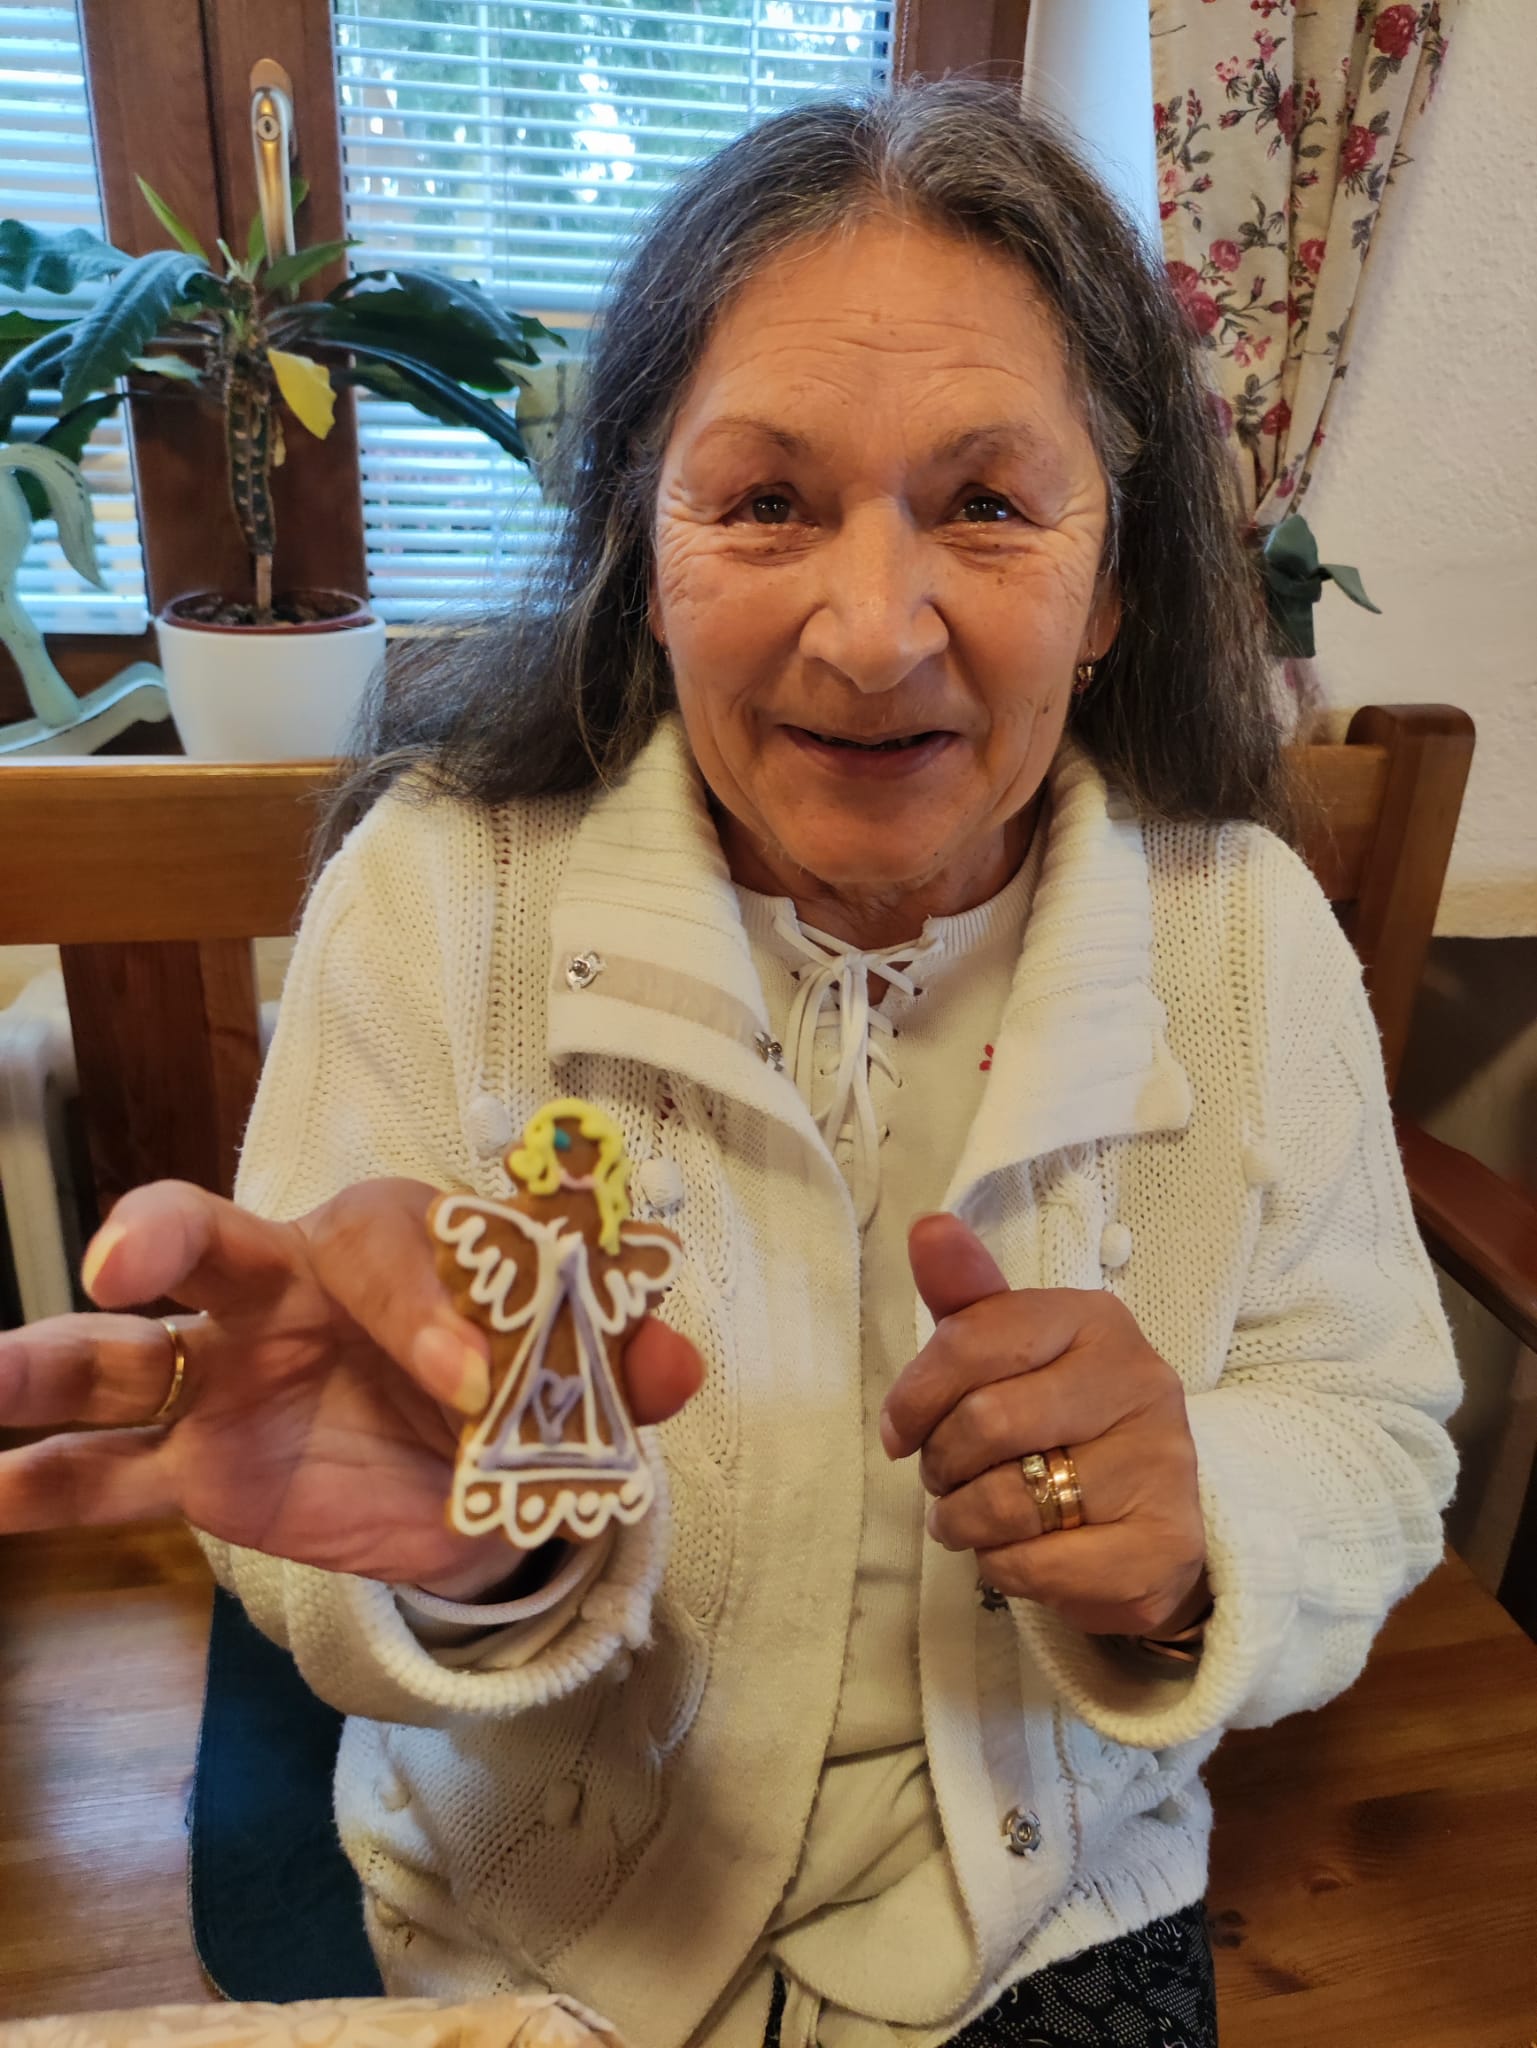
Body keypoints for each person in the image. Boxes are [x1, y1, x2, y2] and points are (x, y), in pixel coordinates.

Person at [0, 83, 1458, 2048]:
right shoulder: (442, 894)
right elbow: (308, 1503)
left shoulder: (1242, 931)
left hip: (1045, 1908)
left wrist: (1204, 1516)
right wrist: (486, 1552)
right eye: (764, 501)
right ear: (641, 538)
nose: (871, 635)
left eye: (987, 503)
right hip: (540, 1918)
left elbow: (1372, 1422)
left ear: (1115, 579)